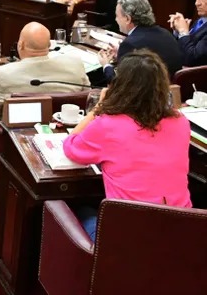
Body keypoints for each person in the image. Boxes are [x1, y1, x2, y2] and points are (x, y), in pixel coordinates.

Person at [63, 50, 191, 241]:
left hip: (128, 238)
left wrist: (99, 108)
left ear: (120, 86)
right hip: (181, 233)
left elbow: (70, 146)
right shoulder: (181, 121)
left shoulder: (108, 124)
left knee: (76, 208)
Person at [0, 22, 89, 120]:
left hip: (12, 134)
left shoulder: (1, 74)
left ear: (20, 45)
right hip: (64, 131)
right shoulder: (76, 64)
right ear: (49, 45)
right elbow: (88, 100)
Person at [99, 0, 181, 81]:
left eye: (117, 16)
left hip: (148, 89)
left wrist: (106, 65)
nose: (116, 19)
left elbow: (119, 83)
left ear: (127, 19)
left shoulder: (129, 44)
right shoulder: (166, 33)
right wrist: (121, 54)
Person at [169, 0, 207, 66]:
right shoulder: (201, 20)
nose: (197, 3)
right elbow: (186, 46)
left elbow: (192, 59)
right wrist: (178, 31)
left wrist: (183, 32)